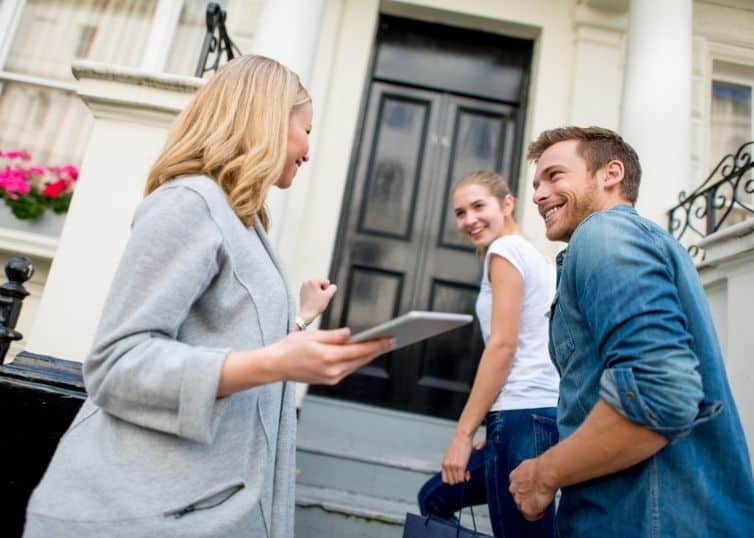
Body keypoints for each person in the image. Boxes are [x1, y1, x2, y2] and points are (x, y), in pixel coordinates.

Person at [23, 55, 392, 537]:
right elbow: (116, 363)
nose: (308, 150)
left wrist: (298, 321)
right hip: (147, 517)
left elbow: (221, 339)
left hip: (206, 509)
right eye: (306, 130)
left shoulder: (243, 220)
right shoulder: (189, 203)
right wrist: (276, 363)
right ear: (265, 121)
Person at [509, 126, 754, 537]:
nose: (537, 194)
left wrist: (544, 474)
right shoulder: (641, 241)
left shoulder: (604, 234)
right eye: (536, 184)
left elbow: (659, 393)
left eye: (554, 176)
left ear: (610, 174)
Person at [417, 170, 560, 538]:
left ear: (507, 203)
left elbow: (503, 345)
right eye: (460, 212)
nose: (469, 220)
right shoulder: (535, 256)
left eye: (479, 206)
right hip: (528, 415)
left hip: (522, 413)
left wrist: (463, 435)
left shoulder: (504, 251)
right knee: (436, 498)